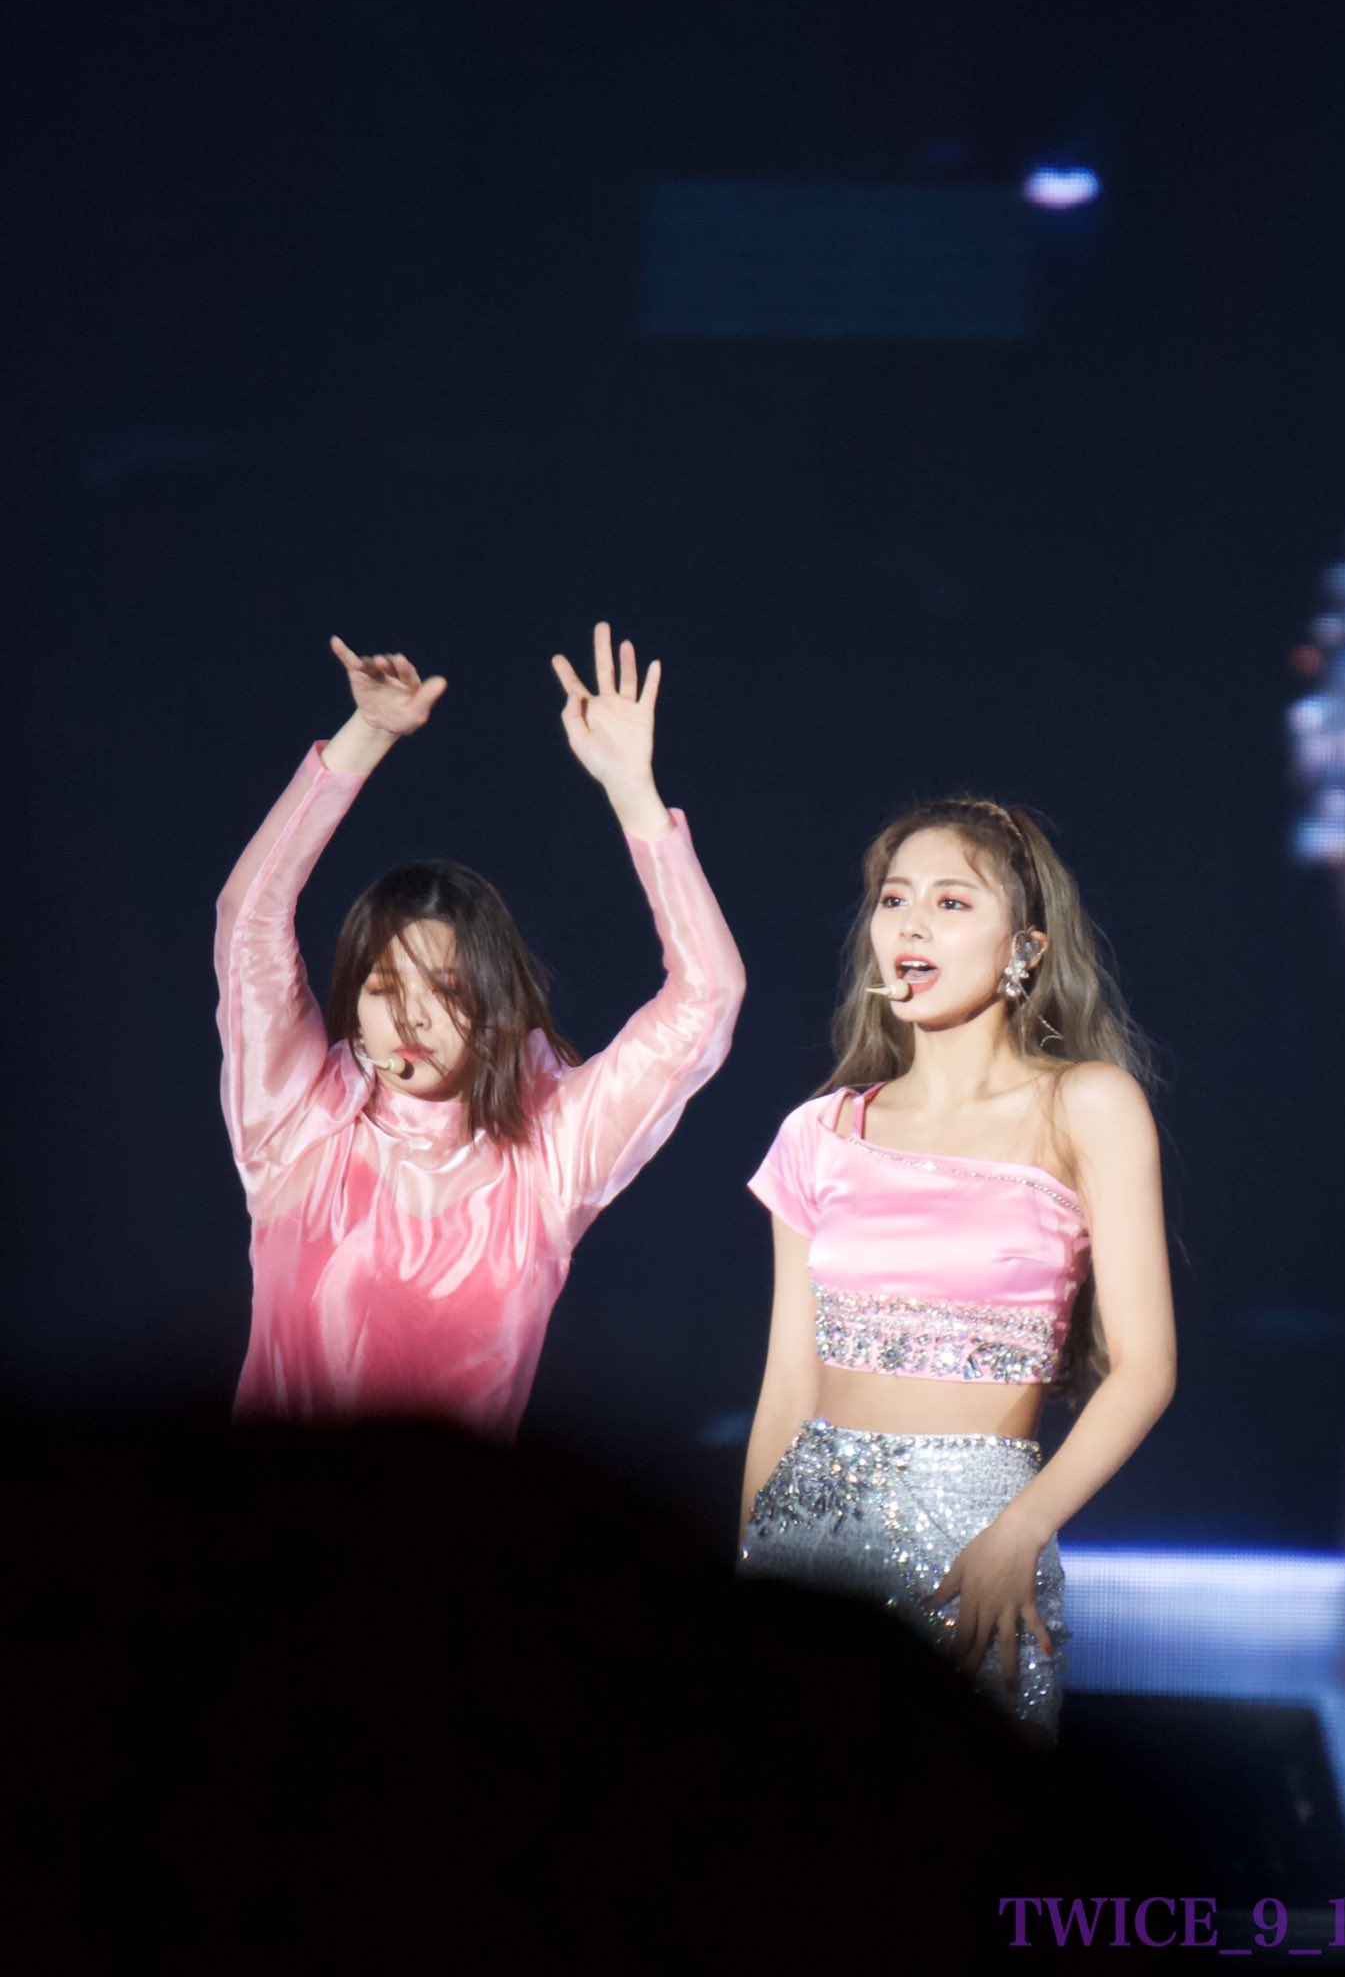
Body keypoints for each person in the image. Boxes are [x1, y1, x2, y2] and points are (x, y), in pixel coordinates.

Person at [215, 624, 744, 1434]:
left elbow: (708, 995)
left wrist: (632, 792)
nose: (410, 1017)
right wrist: (367, 734)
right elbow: (247, 919)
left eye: (447, 990)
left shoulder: (549, 1155)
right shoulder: (294, 1122)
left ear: (495, 1002)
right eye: (383, 989)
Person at [738, 797, 1175, 1732]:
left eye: (951, 902)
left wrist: (1020, 1531)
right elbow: (786, 1388)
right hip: (805, 1542)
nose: (911, 925)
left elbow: (1145, 1369)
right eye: (894, 900)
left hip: (978, 1548)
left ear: (1025, 946)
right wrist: (743, 1586)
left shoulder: (1087, 1105)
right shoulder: (820, 1131)